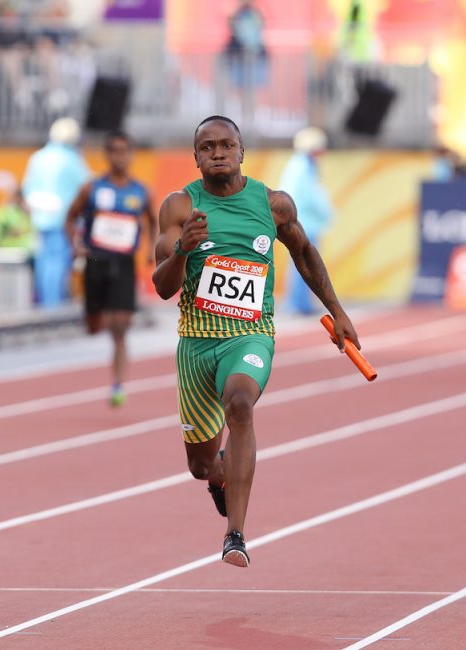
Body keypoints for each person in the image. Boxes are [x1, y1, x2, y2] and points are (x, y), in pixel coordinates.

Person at [153, 116, 359, 567]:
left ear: (242, 152)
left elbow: (303, 251)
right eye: (207, 147)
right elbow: (162, 287)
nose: (218, 152)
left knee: (241, 404)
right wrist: (184, 250)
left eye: (227, 145)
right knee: (201, 466)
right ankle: (219, 477)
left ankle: (236, 534)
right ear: (196, 158)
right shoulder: (178, 207)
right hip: (196, 343)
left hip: (249, 335)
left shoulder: (273, 204)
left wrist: (337, 311)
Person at [65, 130, 156, 407]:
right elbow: (70, 218)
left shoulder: (140, 191)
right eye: (114, 151)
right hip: (94, 259)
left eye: (124, 151)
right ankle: (95, 317)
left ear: (131, 154)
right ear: (107, 155)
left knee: (121, 325)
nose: (120, 156)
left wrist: (151, 248)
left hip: (124, 261)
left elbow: (153, 221)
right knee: (95, 324)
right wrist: (76, 243)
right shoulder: (92, 188)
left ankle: (118, 383)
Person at [22, 117, 91, 308]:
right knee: (58, 263)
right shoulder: (72, 159)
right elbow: (88, 187)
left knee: (44, 263)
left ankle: (45, 303)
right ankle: (53, 307)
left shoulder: (38, 157)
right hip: (63, 221)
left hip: (40, 220)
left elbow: (27, 190)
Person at [279, 127, 335, 315]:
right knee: (304, 262)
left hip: (303, 221)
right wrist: (328, 211)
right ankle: (299, 303)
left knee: (302, 261)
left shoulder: (303, 165)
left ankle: (300, 301)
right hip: (303, 222)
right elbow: (311, 196)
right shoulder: (303, 167)